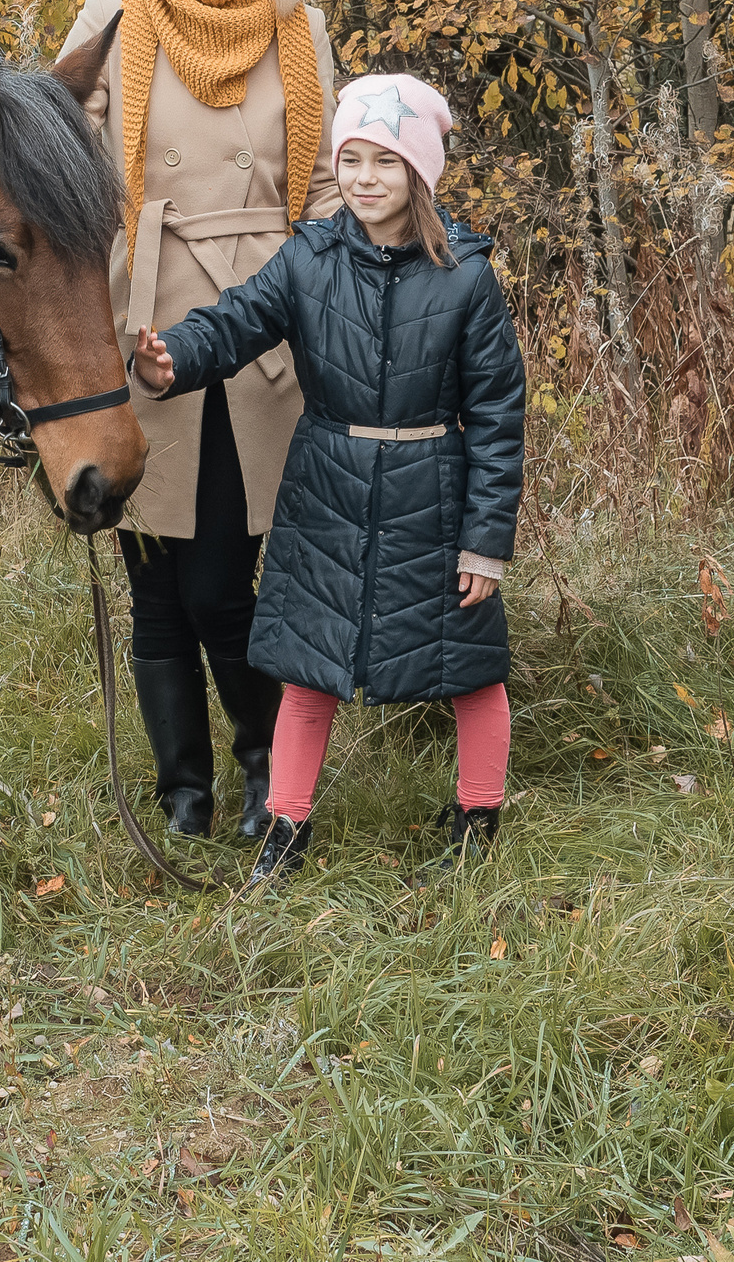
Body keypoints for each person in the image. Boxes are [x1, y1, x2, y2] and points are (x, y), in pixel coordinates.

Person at [127, 75, 525, 885]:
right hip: (328, 492)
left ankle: (478, 817)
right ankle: (286, 827)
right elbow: (236, 321)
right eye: (351, 159)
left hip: (434, 495)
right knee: (309, 669)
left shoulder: (467, 279)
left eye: (386, 160)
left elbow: (497, 415)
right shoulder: (308, 258)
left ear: (420, 172)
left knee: (470, 670)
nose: (366, 177)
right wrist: (177, 356)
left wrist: (486, 541)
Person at [57, 0, 340, 841]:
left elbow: (323, 191)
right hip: (139, 321)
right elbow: (54, 183)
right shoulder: (114, 17)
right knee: (155, 581)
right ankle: (185, 793)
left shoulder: (299, 29)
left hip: (261, 327)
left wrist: (307, 302)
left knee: (222, 577)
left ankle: (270, 762)